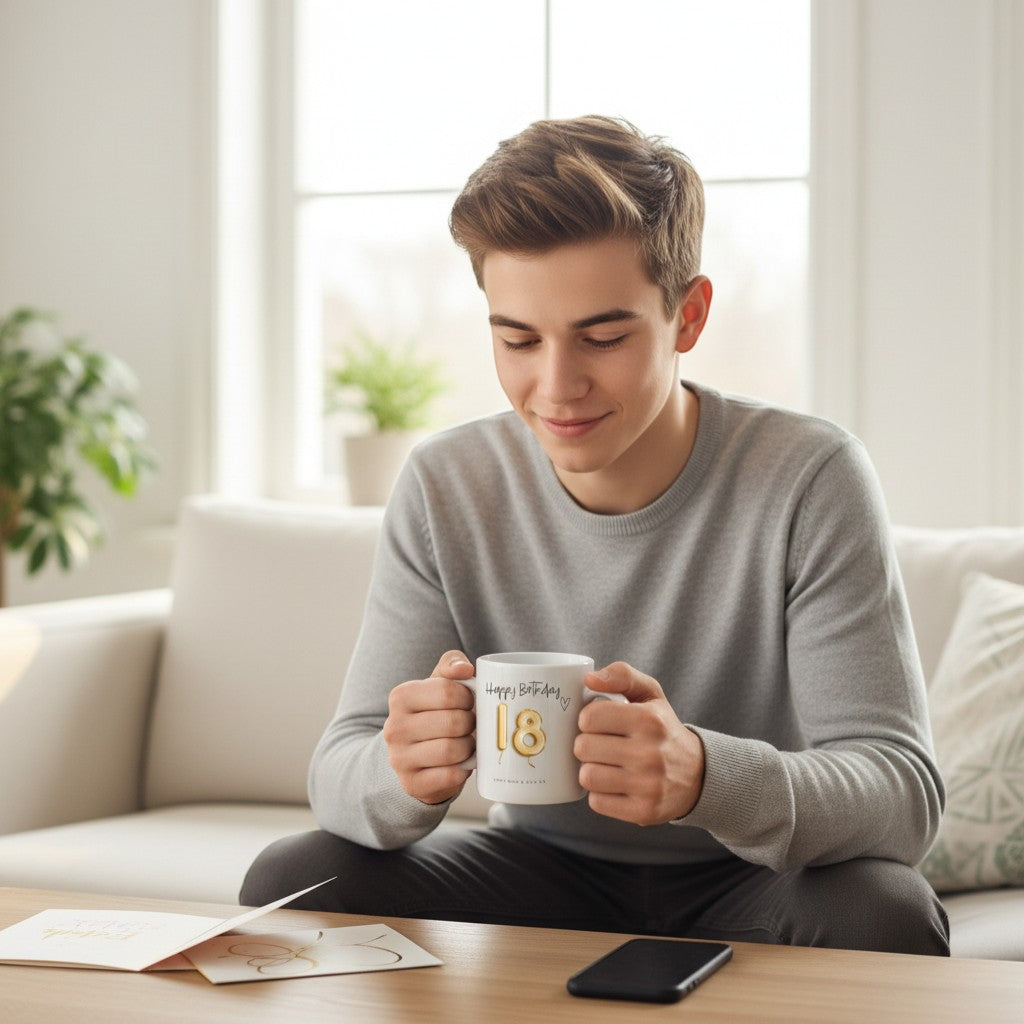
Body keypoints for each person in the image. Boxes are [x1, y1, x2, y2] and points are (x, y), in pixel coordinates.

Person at [241, 115, 948, 954]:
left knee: (883, 910)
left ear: (689, 317)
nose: (556, 386)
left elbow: (901, 795)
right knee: (293, 879)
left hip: (755, 878)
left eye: (603, 337)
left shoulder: (810, 476)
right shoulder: (445, 482)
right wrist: (400, 774)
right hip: (535, 874)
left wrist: (704, 776)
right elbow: (342, 766)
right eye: (518, 339)